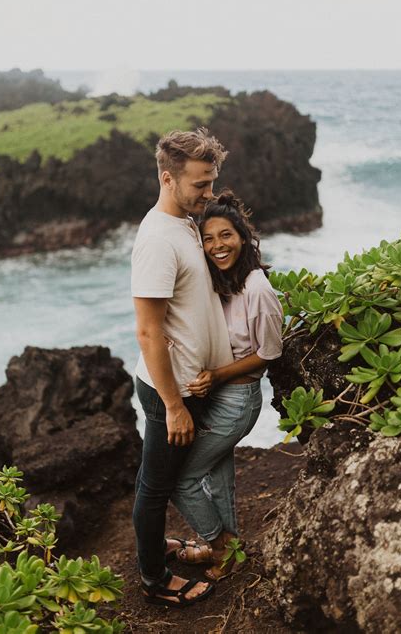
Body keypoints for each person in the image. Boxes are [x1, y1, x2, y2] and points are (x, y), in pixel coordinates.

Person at [131, 128, 235, 607]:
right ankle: (154, 580)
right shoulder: (157, 238)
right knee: (156, 488)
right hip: (169, 390)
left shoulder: (188, 222)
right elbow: (149, 331)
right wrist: (174, 405)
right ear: (168, 178)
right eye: (200, 185)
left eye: (211, 182)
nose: (208, 194)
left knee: (162, 481)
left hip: (189, 383)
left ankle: (159, 549)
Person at [171, 190, 283, 581]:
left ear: (243, 237)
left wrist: (216, 375)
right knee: (217, 477)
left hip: (237, 401)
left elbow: (268, 354)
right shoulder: (218, 282)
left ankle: (216, 545)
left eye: (226, 236)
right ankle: (231, 550)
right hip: (218, 396)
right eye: (209, 238)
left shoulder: (257, 289)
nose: (217, 246)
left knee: (179, 479)